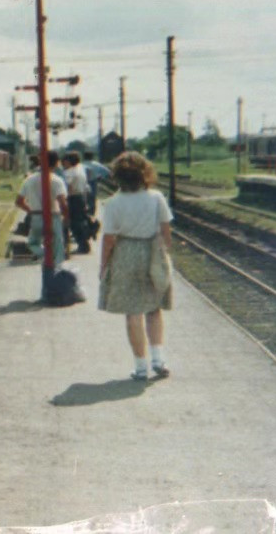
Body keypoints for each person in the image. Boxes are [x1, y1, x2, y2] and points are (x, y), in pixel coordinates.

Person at [97, 151, 174, 381]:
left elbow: (109, 239)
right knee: (154, 308)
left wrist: (103, 266)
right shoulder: (156, 197)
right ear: (145, 173)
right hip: (151, 250)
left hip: (125, 253)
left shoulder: (112, 203)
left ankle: (141, 367)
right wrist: (164, 254)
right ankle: (158, 359)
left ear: (117, 176)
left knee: (133, 312)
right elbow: (166, 231)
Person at [14, 152, 70, 298]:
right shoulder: (56, 180)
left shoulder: (29, 180)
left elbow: (18, 202)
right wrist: (67, 218)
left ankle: (44, 256)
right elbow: (63, 203)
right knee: (58, 249)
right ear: (56, 163)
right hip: (54, 216)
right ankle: (56, 284)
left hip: (37, 216)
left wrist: (31, 211)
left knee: (32, 242)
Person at [62, 152, 93, 253]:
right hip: (80, 197)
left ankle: (79, 246)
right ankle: (83, 244)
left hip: (72, 198)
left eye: (64, 162)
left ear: (68, 161)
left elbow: (68, 187)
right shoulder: (80, 170)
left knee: (72, 223)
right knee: (79, 222)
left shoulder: (69, 172)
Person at [82, 151, 111, 217]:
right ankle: (92, 216)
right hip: (92, 182)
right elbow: (107, 172)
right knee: (92, 199)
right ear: (92, 157)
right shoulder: (96, 164)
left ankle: (85, 215)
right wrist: (100, 177)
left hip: (83, 183)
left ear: (84, 157)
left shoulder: (81, 165)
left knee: (84, 199)